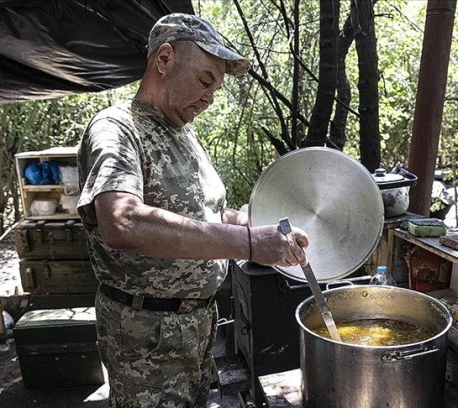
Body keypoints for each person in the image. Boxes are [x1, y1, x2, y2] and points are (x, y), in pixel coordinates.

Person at [76, 13, 309, 408]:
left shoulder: (183, 134)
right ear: (163, 60)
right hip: (146, 337)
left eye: (215, 89)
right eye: (204, 81)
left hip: (197, 325)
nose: (209, 98)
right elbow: (121, 220)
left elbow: (209, 214)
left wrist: (264, 228)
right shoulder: (118, 128)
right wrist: (250, 243)